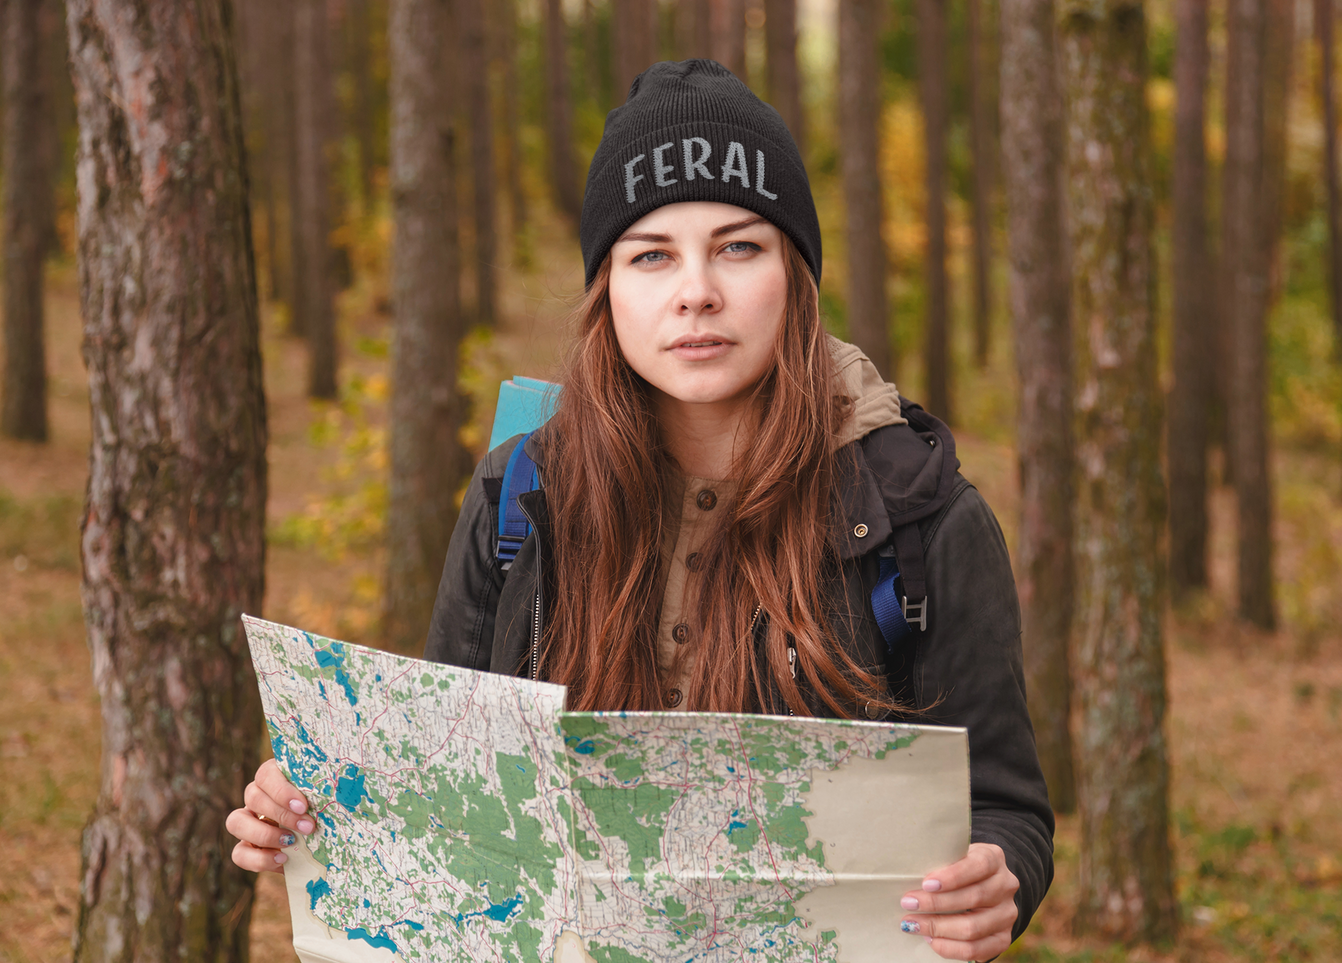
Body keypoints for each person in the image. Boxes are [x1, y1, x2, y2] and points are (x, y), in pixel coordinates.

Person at [228, 59, 1053, 961]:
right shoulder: (519, 494)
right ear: (607, 290)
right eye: (651, 254)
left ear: (795, 275)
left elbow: (1006, 809)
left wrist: (995, 877)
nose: (695, 289)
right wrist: (313, 810)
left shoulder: (918, 516)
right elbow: (447, 791)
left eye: (739, 246)